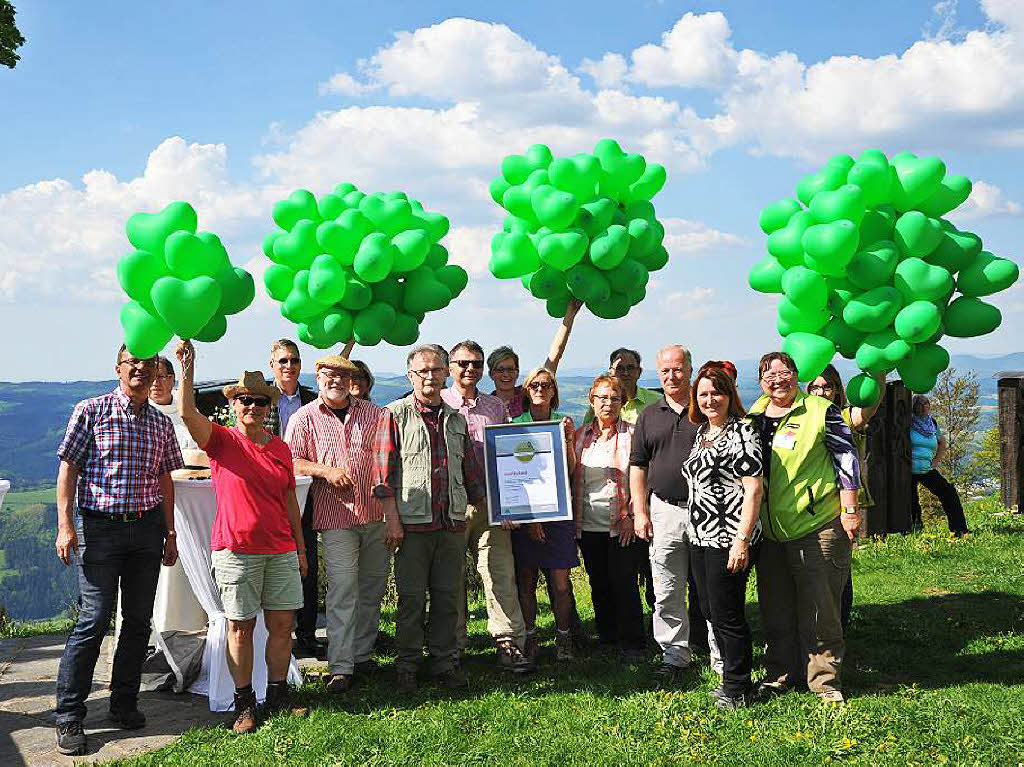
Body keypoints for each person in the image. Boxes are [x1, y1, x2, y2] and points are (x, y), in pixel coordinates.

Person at [52, 345, 184, 756]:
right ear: (118, 369)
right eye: (134, 365)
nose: (141, 372)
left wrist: (171, 532)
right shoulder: (90, 411)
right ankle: (69, 715)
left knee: (138, 621)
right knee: (93, 620)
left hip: (146, 530)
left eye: (149, 367)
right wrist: (65, 525)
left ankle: (124, 703)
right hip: (100, 529)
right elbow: (68, 468)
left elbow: (166, 481)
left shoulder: (162, 425)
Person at [176, 341, 308, 733]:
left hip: (281, 549)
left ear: (269, 408)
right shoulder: (221, 441)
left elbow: (289, 504)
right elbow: (186, 412)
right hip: (235, 551)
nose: (252, 407)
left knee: (283, 625)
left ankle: (280, 695)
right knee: (241, 627)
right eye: (245, 401)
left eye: (259, 402)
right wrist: (187, 369)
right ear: (234, 405)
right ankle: (244, 702)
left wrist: (300, 549)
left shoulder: (281, 448)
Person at [747, 352, 861, 705]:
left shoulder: (819, 410)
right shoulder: (754, 415)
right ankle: (780, 673)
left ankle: (824, 680)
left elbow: (846, 459)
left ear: (797, 375)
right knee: (775, 606)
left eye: (784, 372)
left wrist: (850, 510)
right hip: (769, 530)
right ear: (761, 380)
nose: (777, 379)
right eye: (769, 373)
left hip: (818, 523)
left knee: (820, 606)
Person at [285, 355, 399, 693]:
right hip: (335, 518)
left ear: (352, 380)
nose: (334, 379)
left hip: (375, 514)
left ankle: (362, 655)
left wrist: (392, 515)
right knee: (343, 589)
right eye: (328, 374)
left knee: (372, 587)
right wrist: (325, 470)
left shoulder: (375, 414)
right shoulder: (304, 417)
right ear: (318, 377)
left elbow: (390, 464)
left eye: (341, 374)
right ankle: (341, 665)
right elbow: (290, 460)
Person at [384, 344, 488, 692]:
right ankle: (408, 665)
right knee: (412, 598)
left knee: (446, 597)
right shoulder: (393, 415)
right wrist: (392, 520)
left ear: (446, 373)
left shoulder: (456, 420)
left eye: (436, 370)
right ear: (411, 375)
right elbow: (382, 475)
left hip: (450, 523)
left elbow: (470, 472)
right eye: (422, 371)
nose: (430, 376)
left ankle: (444, 662)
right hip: (412, 525)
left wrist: (498, 505)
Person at [442, 340, 532, 674]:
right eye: (463, 363)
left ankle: (508, 641)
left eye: (476, 364)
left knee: (500, 573)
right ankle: (452, 646)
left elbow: (509, 458)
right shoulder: (439, 401)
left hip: (491, 504)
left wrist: (510, 505)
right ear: (451, 366)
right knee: (450, 579)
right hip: (451, 504)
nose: (470, 369)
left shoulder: (495, 407)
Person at [631, 346, 720, 681]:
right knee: (666, 587)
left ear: (690, 370)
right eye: (665, 371)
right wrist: (640, 512)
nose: (671, 376)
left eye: (678, 369)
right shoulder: (649, 415)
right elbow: (637, 466)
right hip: (664, 511)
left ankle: (719, 654)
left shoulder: (708, 409)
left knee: (710, 588)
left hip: (709, 511)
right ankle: (674, 653)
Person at [683, 364, 764, 709]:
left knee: (727, 612)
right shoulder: (701, 432)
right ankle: (731, 676)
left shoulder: (742, 431)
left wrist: (741, 539)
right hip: (699, 536)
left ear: (730, 395)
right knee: (708, 608)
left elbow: (754, 489)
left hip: (729, 538)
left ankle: (737, 685)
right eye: (703, 394)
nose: (710, 399)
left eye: (717, 392)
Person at [575, 375, 647, 662]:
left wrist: (632, 513)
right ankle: (607, 637)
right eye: (602, 398)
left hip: (622, 522)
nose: (608, 403)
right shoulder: (580, 436)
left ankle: (632, 643)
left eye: (614, 398)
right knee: (599, 581)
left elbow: (644, 479)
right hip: (588, 523)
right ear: (592, 401)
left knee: (624, 581)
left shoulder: (632, 435)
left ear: (623, 403)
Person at [509, 367, 579, 662]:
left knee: (560, 582)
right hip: (526, 514)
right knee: (526, 580)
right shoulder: (514, 425)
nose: (540, 388)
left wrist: (570, 441)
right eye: (534, 384)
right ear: (526, 391)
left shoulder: (562, 424)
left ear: (554, 391)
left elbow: (570, 469)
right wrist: (532, 520)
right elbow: (516, 475)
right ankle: (530, 636)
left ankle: (564, 638)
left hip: (559, 513)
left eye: (546, 384)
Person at [807, 365, 884, 627]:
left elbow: (869, 408)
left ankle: (839, 623)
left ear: (837, 390)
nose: (820, 392)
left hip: (842, 504)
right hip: (811, 504)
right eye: (815, 386)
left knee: (839, 567)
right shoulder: (804, 417)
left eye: (826, 386)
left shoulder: (844, 417)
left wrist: (880, 372)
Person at [264, 339, 322, 659]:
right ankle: (275, 635)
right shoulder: (261, 401)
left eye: (295, 360)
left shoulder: (313, 400)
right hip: (271, 494)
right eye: (283, 361)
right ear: (272, 365)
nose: (289, 366)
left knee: (308, 563)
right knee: (273, 564)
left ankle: (308, 634)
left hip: (307, 492)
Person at [487, 298, 583, 418]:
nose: (506, 374)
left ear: (517, 372)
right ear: (491, 374)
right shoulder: (486, 404)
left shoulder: (529, 393)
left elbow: (555, 354)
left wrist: (570, 313)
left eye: (510, 369)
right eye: (500, 370)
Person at [909, 395, 969, 536]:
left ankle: (959, 529)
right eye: (920, 404)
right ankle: (914, 531)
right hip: (908, 470)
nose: (923, 407)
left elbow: (942, 443)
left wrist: (936, 461)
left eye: (926, 404)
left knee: (949, 493)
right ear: (914, 407)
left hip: (926, 469)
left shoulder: (932, 424)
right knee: (911, 500)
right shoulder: (908, 424)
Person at [148, 356, 197, 449]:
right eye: (151, 377)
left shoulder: (186, 408)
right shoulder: (141, 412)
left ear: (172, 379)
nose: (155, 382)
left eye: (160, 377)